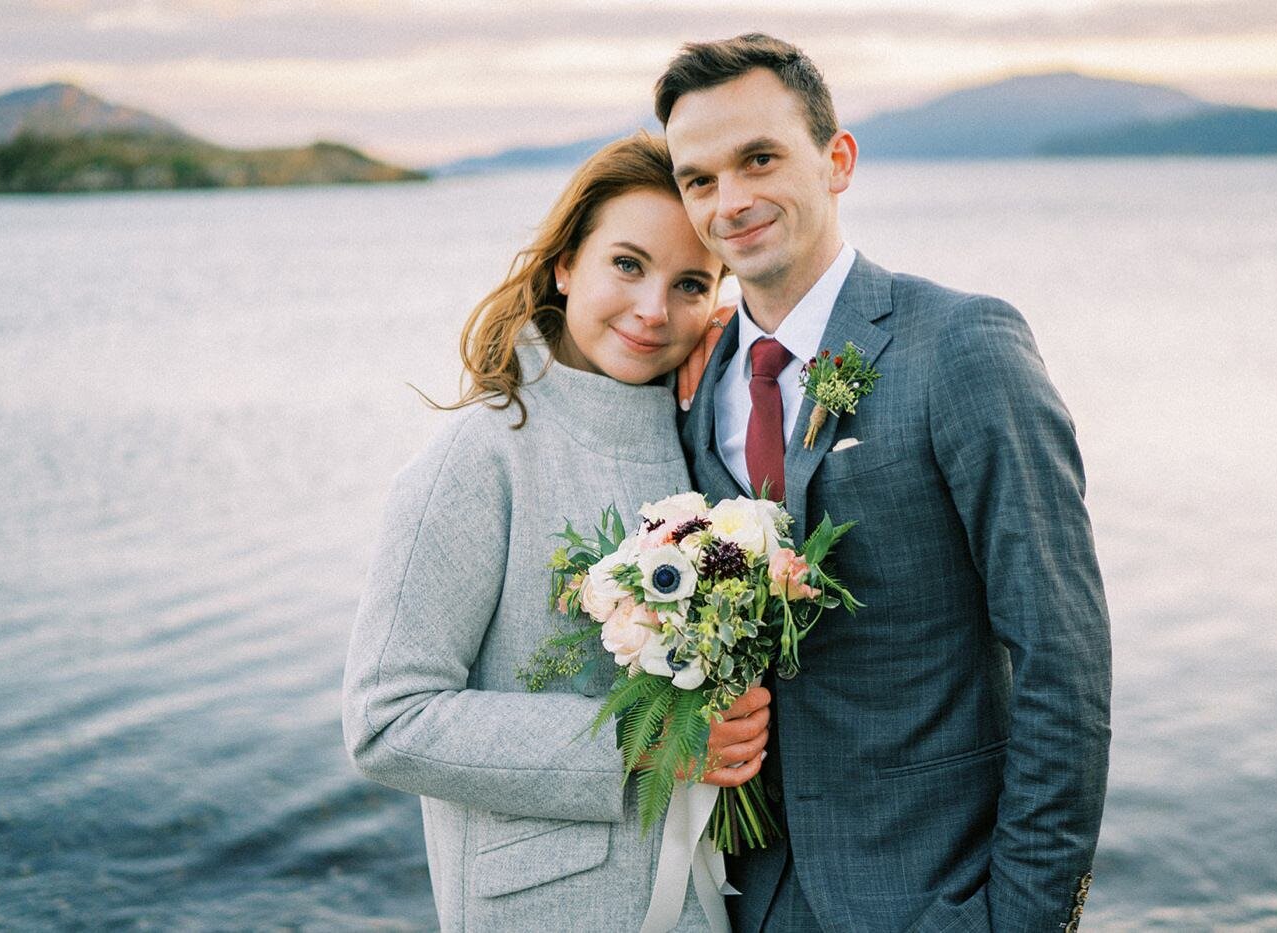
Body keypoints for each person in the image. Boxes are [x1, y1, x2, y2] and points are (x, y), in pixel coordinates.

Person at [657, 35, 1112, 932]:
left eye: (759, 158)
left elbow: (1063, 655)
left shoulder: (960, 345)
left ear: (838, 161)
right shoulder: (696, 383)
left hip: (938, 895)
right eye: (699, 179)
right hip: (753, 898)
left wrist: (1022, 919)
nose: (730, 200)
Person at [341, 132, 770, 933]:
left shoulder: (698, 439)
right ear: (566, 262)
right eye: (627, 264)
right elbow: (385, 719)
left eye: (688, 283)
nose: (653, 311)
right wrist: (644, 744)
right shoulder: (482, 454)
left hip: (704, 906)